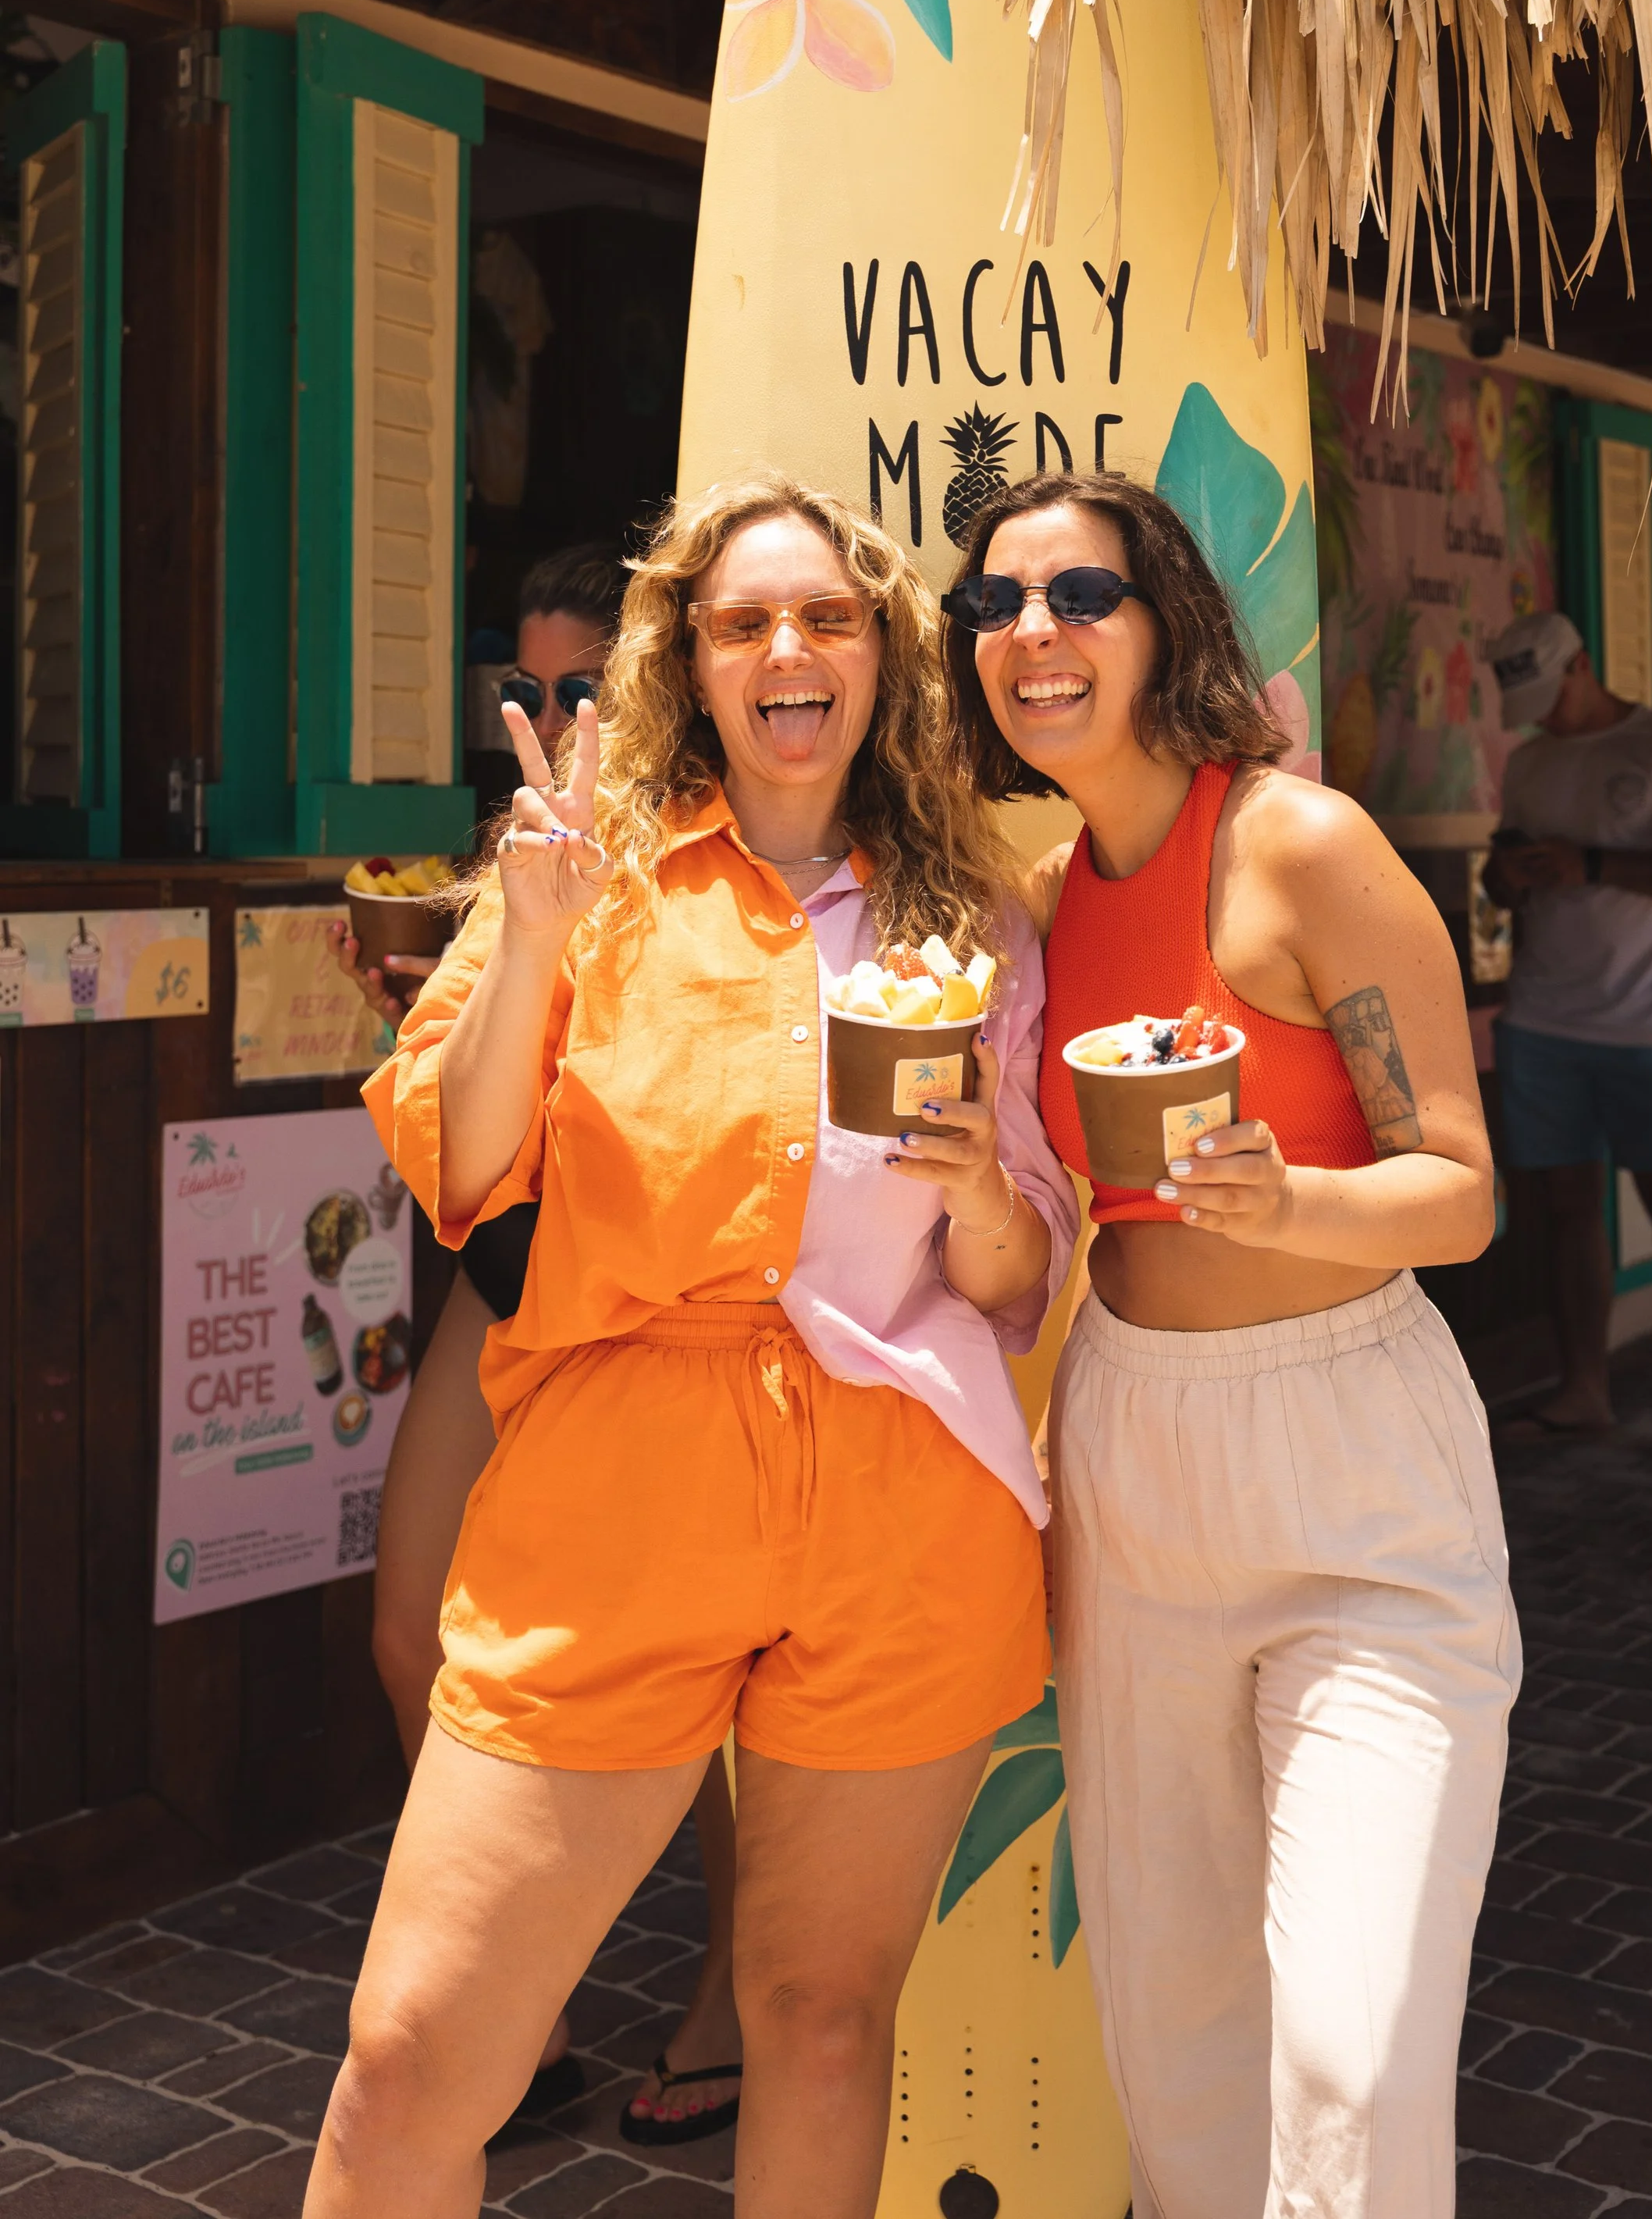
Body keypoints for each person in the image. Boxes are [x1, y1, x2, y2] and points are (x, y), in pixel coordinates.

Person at [306, 476, 1076, 2219]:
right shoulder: (594, 868)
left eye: (823, 616)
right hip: (620, 1483)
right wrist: (540, 941)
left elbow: (1018, 1266)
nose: (786, 650)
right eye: (742, 623)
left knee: (813, 2023)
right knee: (415, 2052)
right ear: (694, 660)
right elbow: (462, 1157)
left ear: (878, 651)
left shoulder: (971, 913)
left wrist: (971, 1178)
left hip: (901, 1505)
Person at [941, 468, 1517, 2219]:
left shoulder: (1297, 844)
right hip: (1135, 1461)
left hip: (1354, 1474)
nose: (1030, 634)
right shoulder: (1042, 900)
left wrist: (1292, 1210)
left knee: (1353, 2047)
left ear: (1163, 620)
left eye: (1078, 596)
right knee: (1175, 2035)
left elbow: (1463, 1190)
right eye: (992, 607)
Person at [333, 543, 740, 2145]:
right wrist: (430, 989)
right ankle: (533, 2016)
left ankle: (726, 1997)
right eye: (527, 688)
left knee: (710, 1698)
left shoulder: (710, 845)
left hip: (644, 1313)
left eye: (583, 684)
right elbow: (462, 1117)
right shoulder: (515, 842)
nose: (554, 712)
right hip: (504, 1277)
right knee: (409, 1634)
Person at [1481, 612, 1652, 1464]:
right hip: (1543, 1017)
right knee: (1564, 1210)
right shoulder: (1528, 762)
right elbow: (1502, 865)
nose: (1539, 717)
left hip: (1651, 1023)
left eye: (1546, 695)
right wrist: (1508, 873)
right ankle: (1583, 1389)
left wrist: (1589, 865)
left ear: (1584, 666)